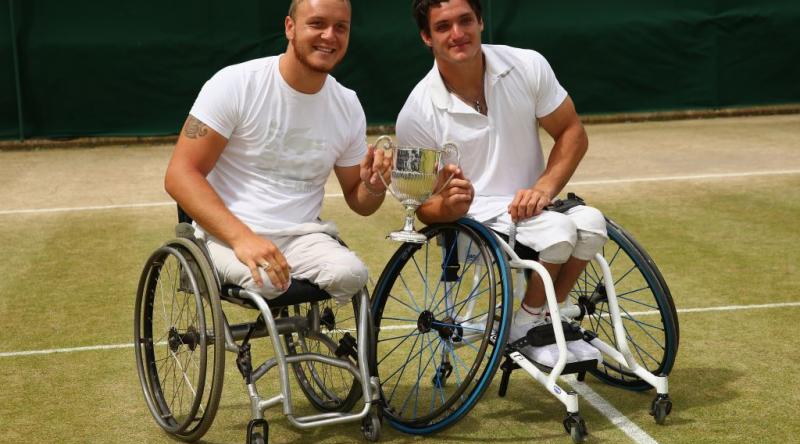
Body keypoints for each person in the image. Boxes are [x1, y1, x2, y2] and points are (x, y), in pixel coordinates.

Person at [396, 0, 607, 367]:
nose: (458, 33)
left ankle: (539, 317)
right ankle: (531, 325)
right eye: (444, 27)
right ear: (427, 37)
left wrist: (543, 188)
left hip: (536, 206)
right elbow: (416, 208)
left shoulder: (527, 65)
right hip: (472, 226)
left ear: (480, 22)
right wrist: (448, 206)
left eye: (465, 21)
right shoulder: (414, 113)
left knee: (591, 224)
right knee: (558, 232)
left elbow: (572, 132)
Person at [164, 0, 391, 302]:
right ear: (290, 27)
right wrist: (242, 238)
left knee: (352, 274)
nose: (329, 36)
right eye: (317, 24)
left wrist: (374, 186)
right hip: (226, 237)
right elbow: (179, 175)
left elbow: (359, 199)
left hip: (303, 239)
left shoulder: (347, 105)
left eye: (341, 27)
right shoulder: (235, 84)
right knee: (268, 282)